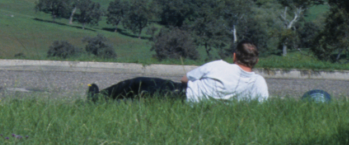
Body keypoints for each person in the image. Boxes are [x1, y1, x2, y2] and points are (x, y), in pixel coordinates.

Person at [88, 40, 268, 102]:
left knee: (137, 83)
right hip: (195, 103)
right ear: (256, 61)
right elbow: (261, 105)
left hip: (180, 94)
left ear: (234, 56)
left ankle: (98, 98)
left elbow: (184, 79)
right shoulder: (259, 82)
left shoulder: (220, 65)